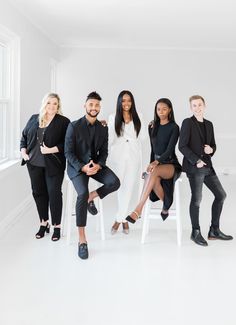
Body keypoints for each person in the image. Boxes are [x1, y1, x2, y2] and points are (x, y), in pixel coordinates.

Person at [64, 91, 120, 259]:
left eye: (96, 105)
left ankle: (91, 197)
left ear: (99, 107)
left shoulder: (103, 128)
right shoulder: (74, 126)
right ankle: (82, 240)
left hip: (95, 165)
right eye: (91, 104)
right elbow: (68, 152)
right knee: (81, 193)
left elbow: (104, 152)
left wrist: (98, 165)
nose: (94, 108)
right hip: (77, 167)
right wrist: (83, 168)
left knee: (114, 182)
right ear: (85, 106)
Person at [179, 95, 233, 246]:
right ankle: (195, 232)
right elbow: (182, 146)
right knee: (197, 199)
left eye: (199, 105)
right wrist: (196, 160)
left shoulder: (209, 124)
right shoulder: (187, 123)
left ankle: (214, 230)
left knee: (221, 195)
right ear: (191, 108)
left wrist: (211, 149)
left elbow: (213, 146)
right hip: (194, 167)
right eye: (194, 105)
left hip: (208, 166)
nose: (197, 108)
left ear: (204, 106)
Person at [20, 93, 70, 241]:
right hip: (33, 164)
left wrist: (51, 149)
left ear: (58, 106)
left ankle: (57, 226)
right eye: (49, 103)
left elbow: (68, 144)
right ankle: (44, 223)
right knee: (38, 193)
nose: (52, 106)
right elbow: (23, 136)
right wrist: (23, 151)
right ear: (44, 104)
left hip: (53, 165)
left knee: (54, 194)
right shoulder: (34, 118)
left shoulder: (64, 122)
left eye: (55, 103)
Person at [126, 98, 181, 224]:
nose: (161, 111)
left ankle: (138, 209)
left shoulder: (174, 127)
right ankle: (166, 204)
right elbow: (153, 149)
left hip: (171, 164)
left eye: (164, 109)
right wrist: (150, 164)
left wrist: (156, 163)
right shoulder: (152, 126)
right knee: (151, 175)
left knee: (153, 171)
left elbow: (169, 150)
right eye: (158, 109)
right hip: (156, 165)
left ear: (170, 110)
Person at [108, 90, 146, 235]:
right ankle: (123, 219)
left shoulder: (139, 116)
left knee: (129, 188)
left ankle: (119, 219)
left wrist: (148, 127)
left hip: (133, 157)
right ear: (119, 102)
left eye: (129, 100)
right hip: (117, 157)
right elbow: (111, 139)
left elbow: (142, 138)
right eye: (123, 101)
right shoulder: (113, 117)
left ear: (132, 102)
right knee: (119, 186)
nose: (126, 103)